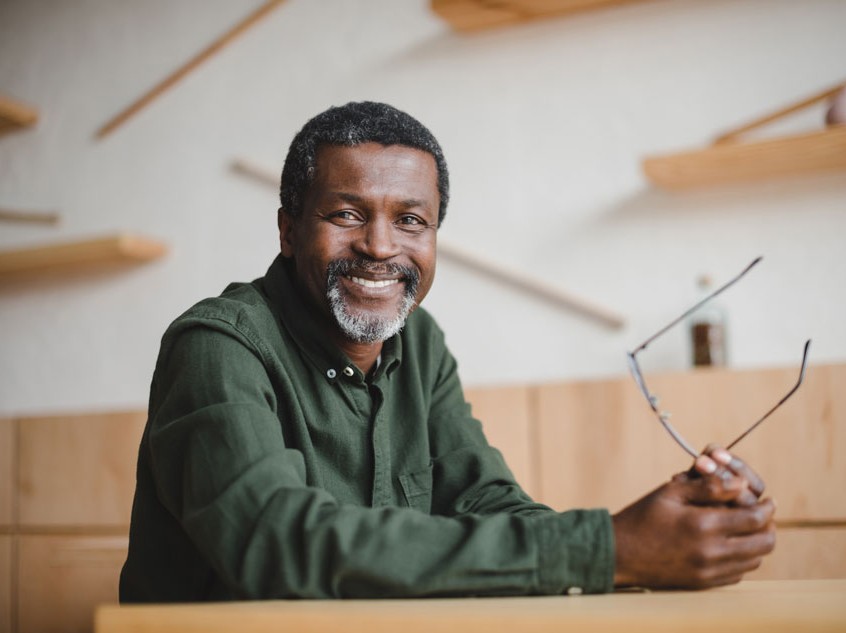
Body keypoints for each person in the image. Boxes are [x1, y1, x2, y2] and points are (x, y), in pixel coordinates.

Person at [119, 101, 775, 602]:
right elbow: (279, 543)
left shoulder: (418, 341)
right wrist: (607, 549)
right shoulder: (217, 345)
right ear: (289, 230)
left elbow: (489, 502)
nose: (380, 246)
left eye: (410, 220)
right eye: (346, 213)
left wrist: (658, 527)